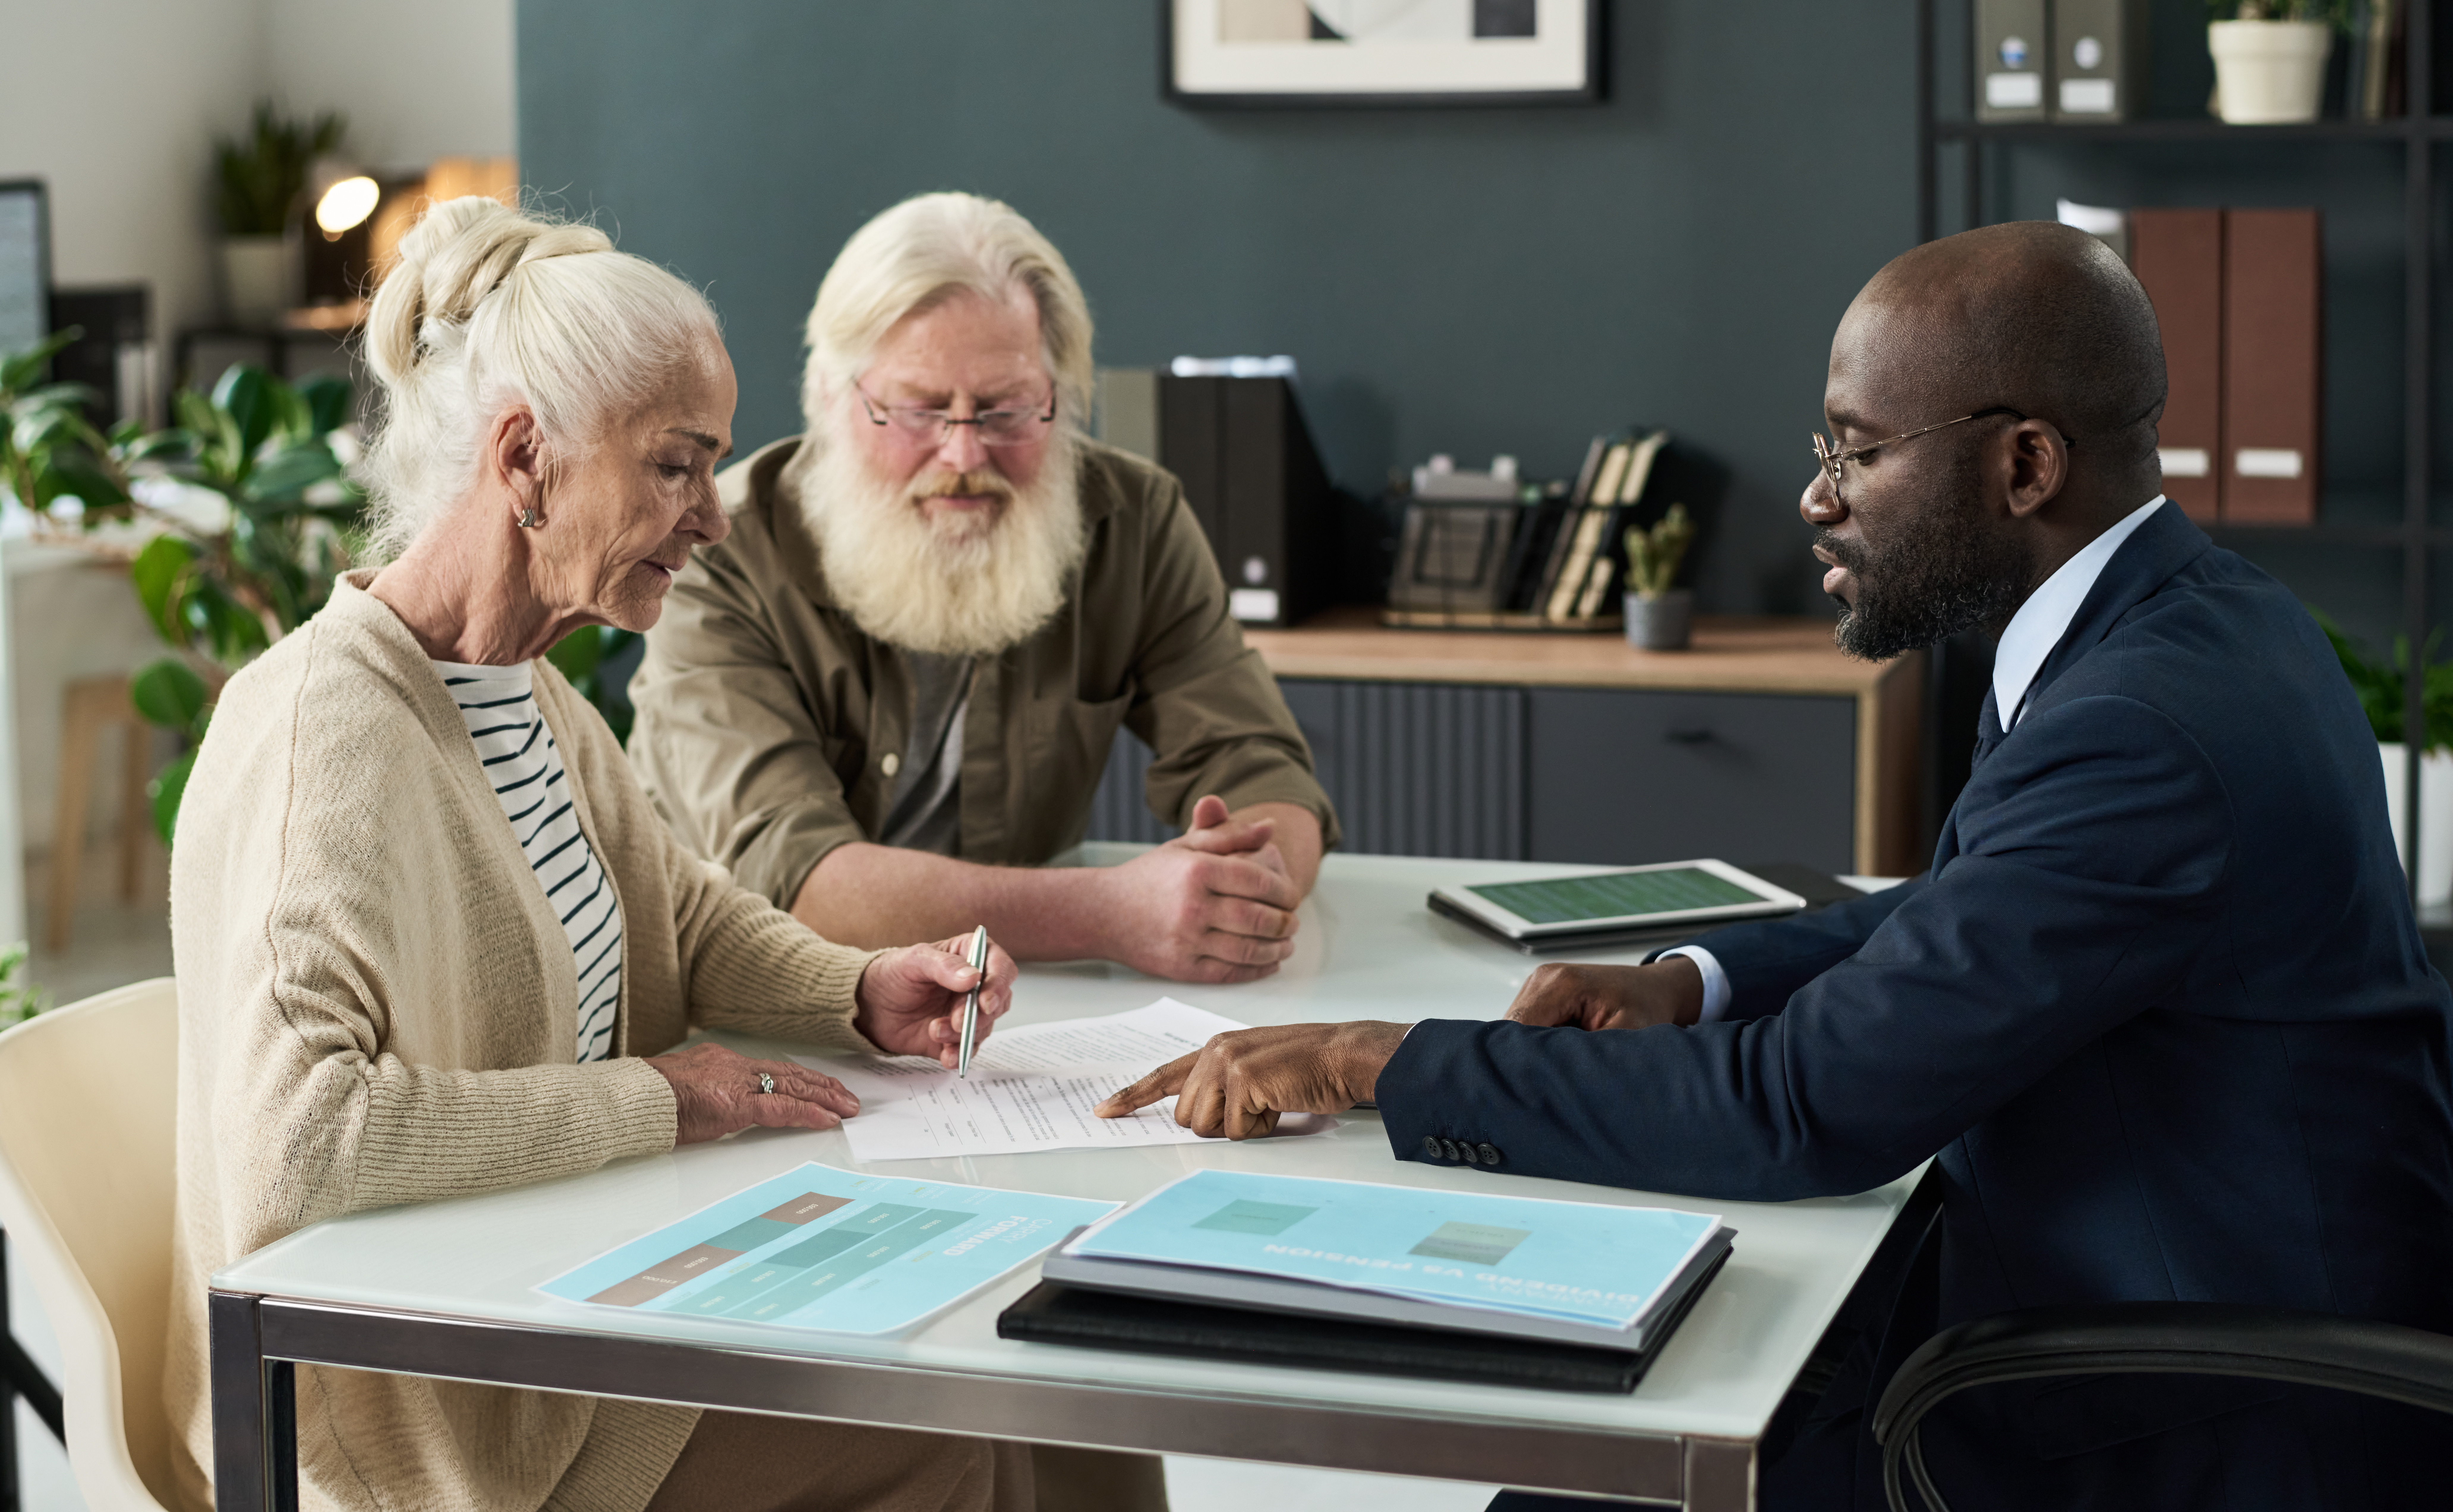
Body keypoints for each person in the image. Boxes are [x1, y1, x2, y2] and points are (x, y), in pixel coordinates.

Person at [1095, 221, 2453, 1510]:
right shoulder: (2193, 622)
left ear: (2026, 466)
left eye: (1860, 452)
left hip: (2180, 1410)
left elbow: (1804, 1106)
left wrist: (1372, 1057)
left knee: (1600, 1465)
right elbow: (1982, 908)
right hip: (2136, 1296)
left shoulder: (2138, 724)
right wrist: (1695, 979)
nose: (1816, 494)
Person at [165, 198, 1151, 1512]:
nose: (714, 517)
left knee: (1063, 1387)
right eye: (676, 467)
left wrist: (854, 989)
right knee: (950, 1429)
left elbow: (676, 914)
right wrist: (667, 1096)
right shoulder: (326, 729)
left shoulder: (531, 691)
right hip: (438, 1411)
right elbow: (304, 1136)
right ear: (526, 458)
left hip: (556, 1290)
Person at [626, 193, 1338, 984]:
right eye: (920, 410)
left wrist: (1242, 885)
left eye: (1005, 411)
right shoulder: (719, 546)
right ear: (831, 399)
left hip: (1014, 1002)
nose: (964, 455)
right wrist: (1112, 912)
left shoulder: (1134, 519)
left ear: (1060, 402)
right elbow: (792, 875)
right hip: (741, 990)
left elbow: (1259, 763)